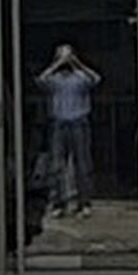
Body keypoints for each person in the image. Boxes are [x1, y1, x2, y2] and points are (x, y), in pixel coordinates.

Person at [36, 44, 100, 217]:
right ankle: (59, 203)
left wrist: (76, 63)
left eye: (67, 56)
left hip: (79, 122)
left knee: (83, 164)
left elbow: (95, 79)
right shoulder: (54, 80)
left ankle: (84, 202)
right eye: (61, 56)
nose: (65, 61)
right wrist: (57, 64)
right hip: (59, 123)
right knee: (57, 165)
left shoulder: (80, 77)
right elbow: (41, 80)